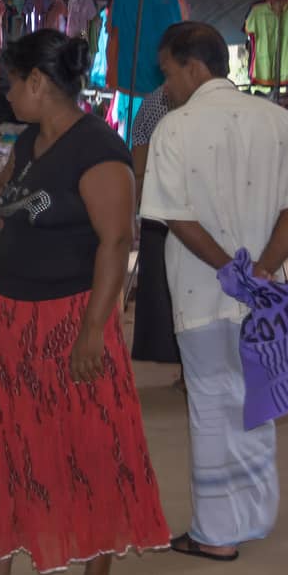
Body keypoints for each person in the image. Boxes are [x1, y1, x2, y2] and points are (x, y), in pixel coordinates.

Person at [0, 30, 169, 575]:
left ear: (38, 82)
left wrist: (94, 329)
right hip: (15, 314)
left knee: (91, 441)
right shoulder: (31, 140)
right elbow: (10, 212)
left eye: (12, 82)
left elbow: (116, 242)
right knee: (6, 439)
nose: (7, 93)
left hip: (71, 317)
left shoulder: (100, 151)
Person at [141, 22, 288, 563]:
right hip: (264, 294)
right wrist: (261, 270)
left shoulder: (176, 129)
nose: (166, 85)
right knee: (254, 401)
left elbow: (175, 216)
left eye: (169, 72)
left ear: (195, 67)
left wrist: (229, 269)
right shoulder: (280, 121)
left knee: (211, 404)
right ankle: (254, 517)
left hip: (201, 293)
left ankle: (216, 534)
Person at [127, 85, 182, 373]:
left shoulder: (151, 104)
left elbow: (139, 162)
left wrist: (135, 207)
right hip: (185, 201)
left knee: (160, 277)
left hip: (159, 201)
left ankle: (160, 346)